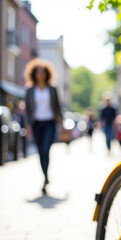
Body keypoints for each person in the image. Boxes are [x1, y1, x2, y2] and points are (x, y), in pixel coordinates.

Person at [24, 58, 62, 194]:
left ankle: (45, 177)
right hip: (36, 124)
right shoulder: (29, 90)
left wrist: (61, 123)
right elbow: (27, 109)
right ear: (34, 74)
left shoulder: (52, 89)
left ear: (47, 74)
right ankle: (45, 177)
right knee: (40, 151)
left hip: (50, 123)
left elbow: (58, 107)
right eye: (38, 72)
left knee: (46, 149)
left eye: (43, 72)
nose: (41, 75)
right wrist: (27, 125)